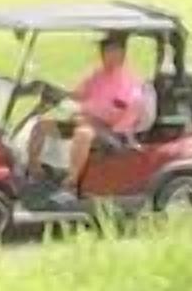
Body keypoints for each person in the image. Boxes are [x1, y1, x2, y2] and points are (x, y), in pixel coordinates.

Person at [58, 29, 153, 201]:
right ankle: (35, 172)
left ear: (121, 55)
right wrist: (59, 94)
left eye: (110, 52)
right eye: (104, 52)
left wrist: (91, 120)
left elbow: (124, 114)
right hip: (89, 122)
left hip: (115, 134)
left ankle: (70, 184)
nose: (105, 56)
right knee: (42, 126)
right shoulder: (98, 76)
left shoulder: (130, 84)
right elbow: (79, 94)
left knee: (83, 134)